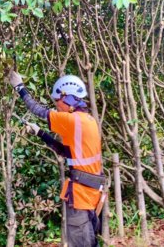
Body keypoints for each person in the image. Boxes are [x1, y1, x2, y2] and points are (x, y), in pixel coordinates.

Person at [9, 71, 104, 247]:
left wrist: (19, 87)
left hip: (81, 196)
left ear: (67, 98)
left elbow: (37, 110)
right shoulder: (86, 121)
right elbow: (65, 151)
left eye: (57, 100)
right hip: (90, 193)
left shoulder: (73, 120)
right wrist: (39, 133)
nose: (56, 105)